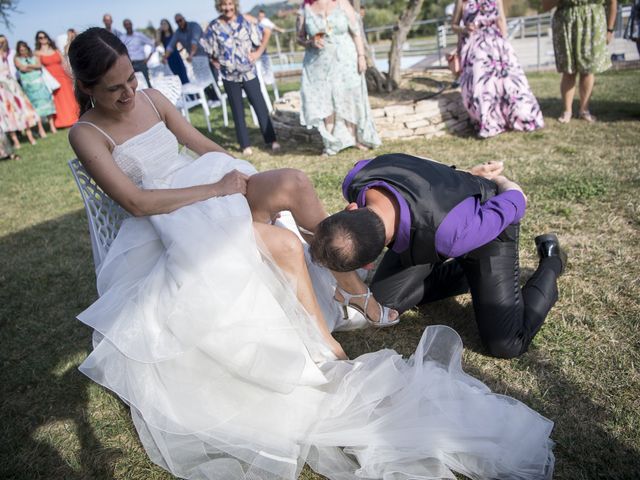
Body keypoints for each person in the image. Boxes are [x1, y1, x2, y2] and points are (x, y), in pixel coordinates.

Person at [68, 27, 556, 480]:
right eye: (114, 88)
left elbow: (200, 145)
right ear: (88, 86)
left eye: (131, 77)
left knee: (293, 181)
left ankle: (351, 283)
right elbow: (134, 202)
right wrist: (216, 190)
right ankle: (327, 342)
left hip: (209, 186)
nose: (128, 91)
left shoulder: (153, 99)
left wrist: (238, 177)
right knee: (282, 243)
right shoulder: (87, 132)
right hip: (167, 216)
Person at [310, 153, 568, 360]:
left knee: (506, 343)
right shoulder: (356, 179)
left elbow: (515, 200)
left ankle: (552, 262)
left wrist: (500, 182)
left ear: (351, 206)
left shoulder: (450, 234)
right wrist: (461, 176)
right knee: (386, 301)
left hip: (486, 226)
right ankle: (472, 276)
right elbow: (423, 164)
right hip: (437, 231)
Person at [451, 0, 544, 138]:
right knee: (481, 86)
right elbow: (453, 25)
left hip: (497, 44)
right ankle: (488, 122)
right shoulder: (462, 1)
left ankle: (518, 117)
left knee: (509, 83)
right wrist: (464, 29)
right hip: (475, 46)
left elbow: (501, 19)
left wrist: (505, 43)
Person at [298, 0, 380, 155]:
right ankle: (330, 141)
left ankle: (354, 138)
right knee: (324, 99)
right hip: (318, 63)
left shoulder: (343, 4)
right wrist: (310, 41)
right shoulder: (305, 8)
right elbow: (299, 38)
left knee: (348, 96)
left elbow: (356, 33)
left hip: (345, 59)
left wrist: (361, 56)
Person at [203, 0, 280, 155]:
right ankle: (245, 145)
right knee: (237, 110)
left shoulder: (246, 19)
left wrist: (258, 53)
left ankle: (272, 140)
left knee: (260, 106)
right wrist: (214, 60)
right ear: (219, 6)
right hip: (229, 76)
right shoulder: (214, 26)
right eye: (224, 5)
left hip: (249, 72)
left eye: (230, 4)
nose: (228, 8)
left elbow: (267, 31)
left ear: (235, 5)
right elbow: (206, 46)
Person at [543, 0, 617, 123]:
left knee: (588, 69)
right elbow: (545, 6)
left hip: (593, 23)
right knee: (568, 70)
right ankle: (567, 111)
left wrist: (610, 29)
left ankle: (584, 110)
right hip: (566, 22)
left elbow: (613, 2)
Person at [0, 35, 39, 148]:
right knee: (7, 113)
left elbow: (3, 43)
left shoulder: (4, 53)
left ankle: (30, 136)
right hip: (2, 90)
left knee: (22, 109)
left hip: (11, 85)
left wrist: (3, 40)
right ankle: (15, 141)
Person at [34, 30, 78, 128]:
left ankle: (75, 117)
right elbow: (37, 66)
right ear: (38, 40)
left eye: (44, 36)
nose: (43, 39)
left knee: (69, 97)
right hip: (51, 79)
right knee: (58, 100)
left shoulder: (56, 50)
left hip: (63, 76)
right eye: (40, 38)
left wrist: (70, 74)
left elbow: (64, 62)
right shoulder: (37, 53)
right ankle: (63, 121)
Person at [14, 40, 56, 136]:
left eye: (24, 49)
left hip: (40, 84)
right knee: (35, 108)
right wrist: (33, 67)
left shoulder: (34, 56)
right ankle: (41, 130)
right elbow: (22, 68)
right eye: (21, 50)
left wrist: (29, 66)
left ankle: (52, 126)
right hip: (29, 87)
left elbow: (39, 65)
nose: (23, 51)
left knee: (47, 103)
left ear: (27, 48)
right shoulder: (17, 58)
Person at [120, 19, 154, 87]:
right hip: (130, 64)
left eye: (129, 24)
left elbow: (152, 44)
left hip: (142, 63)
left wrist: (148, 58)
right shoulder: (122, 38)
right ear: (124, 26)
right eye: (126, 25)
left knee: (148, 83)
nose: (128, 26)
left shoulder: (139, 35)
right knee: (132, 85)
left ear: (132, 24)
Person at [156, 18, 188, 84]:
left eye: (165, 23)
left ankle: (192, 93)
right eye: (161, 24)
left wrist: (180, 50)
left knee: (184, 76)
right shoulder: (162, 37)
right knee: (177, 78)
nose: (163, 25)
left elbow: (182, 43)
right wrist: (158, 32)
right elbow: (157, 44)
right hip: (170, 59)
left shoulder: (174, 34)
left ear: (168, 24)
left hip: (177, 57)